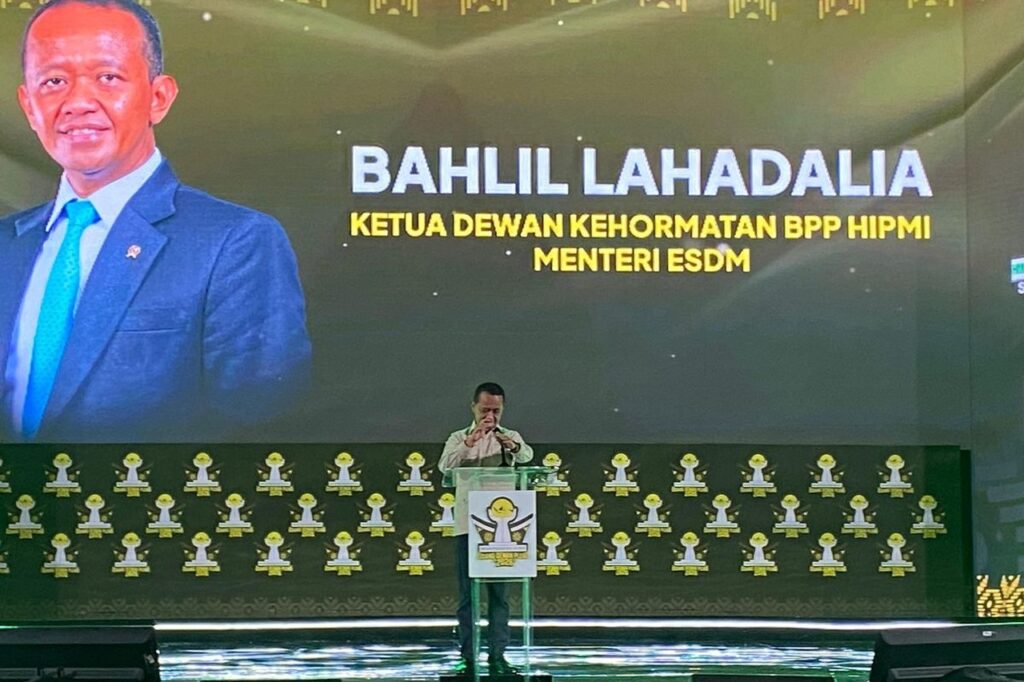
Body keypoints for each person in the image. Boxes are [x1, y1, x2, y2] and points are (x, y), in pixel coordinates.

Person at [0, 0, 311, 441]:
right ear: (29, 106)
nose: (78, 103)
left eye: (108, 77)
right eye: (54, 82)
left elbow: (262, 428)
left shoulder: (234, 243)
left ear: (159, 97)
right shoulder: (6, 245)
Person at [438, 382, 534, 676]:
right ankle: (468, 657)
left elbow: (527, 457)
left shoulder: (510, 437)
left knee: (498, 596)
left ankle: (498, 656)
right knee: (468, 595)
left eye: (496, 410)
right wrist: (471, 441)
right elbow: (445, 467)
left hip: (501, 533)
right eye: (484, 410)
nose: (490, 415)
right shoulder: (458, 437)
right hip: (468, 526)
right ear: (473, 408)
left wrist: (512, 446)